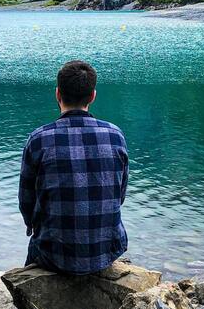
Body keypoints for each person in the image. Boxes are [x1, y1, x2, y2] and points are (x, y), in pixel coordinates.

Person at [18, 59, 129, 274]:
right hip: (106, 248)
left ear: (57, 94)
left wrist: (32, 225)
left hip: (53, 253)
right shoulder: (115, 136)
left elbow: (27, 202)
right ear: (93, 96)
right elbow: (120, 194)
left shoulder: (39, 139)